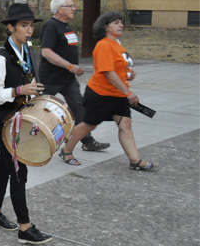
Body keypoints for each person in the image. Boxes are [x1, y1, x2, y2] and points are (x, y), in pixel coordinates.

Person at [0, 3, 52, 245]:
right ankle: (25, 227)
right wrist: (20, 89)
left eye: (31, 26)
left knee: (4, 165)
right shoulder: (0, 59)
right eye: (23, 26)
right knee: (18, 169)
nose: (29, 30)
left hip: (16, 119)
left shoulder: (26, 53)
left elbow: (26, 84)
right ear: (10, 28)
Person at [58, 13, 155, 171]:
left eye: (121, 22)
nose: (121, 25)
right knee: (88, 126)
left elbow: (119, 68)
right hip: (100, 95)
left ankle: (135, 161)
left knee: (126, 124)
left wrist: (129, 73)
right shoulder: (103, 45)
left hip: (117, 95)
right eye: (116, 22)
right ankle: (66, 150)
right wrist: (128, 93)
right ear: (106, 27)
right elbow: (108, 72)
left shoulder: (117, 44)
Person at [40, 0, 109, 160]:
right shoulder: (51, 26)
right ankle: (28, 139)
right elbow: (46, 52)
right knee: (40, 111)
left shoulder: (66, 26)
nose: (74, 9)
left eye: (73, 6)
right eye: (70, 6)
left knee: (80, 109)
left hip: (68, 80)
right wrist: (70, 66)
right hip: (51, 78)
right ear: (60, 9)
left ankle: (87, 141)